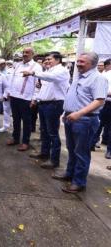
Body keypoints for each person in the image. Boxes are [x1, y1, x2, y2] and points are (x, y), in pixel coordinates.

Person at [52, 52, 108, 193]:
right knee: (72, 150)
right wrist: (68, 113)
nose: (78, 64)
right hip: (71, 118)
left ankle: (79, 182)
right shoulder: (80, 76)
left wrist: (79, 113)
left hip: (85, 120)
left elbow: (99, 100)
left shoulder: (97, 79)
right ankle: (69, 173)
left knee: (81, 153)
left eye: (82, 62)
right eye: (78, 61)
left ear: (92, 64)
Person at [25, 52, 70, 169]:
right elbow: (43, 87)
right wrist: (36, 99)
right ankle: (44, 153)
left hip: (54, 105)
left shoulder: (61, 71)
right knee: (44, 131)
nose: (47, 61)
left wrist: (33, 73)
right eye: (47, 59)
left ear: (58, 60)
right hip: (44, 104)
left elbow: (51, 78)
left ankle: (54, 160)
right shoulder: (48, 71)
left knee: (53, 133)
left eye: (50, 59)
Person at [7, 47, 42, 151]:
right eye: (23, 52)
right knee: (16, 120)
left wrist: (34, 99)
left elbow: (38, 84)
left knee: (27, 122)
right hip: (14, 96)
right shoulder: (18, 65)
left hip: (26, 99)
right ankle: (15, 138)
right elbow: (12, 80)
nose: (25, 54)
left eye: (27, 52)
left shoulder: (37, 67)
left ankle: (25, 142)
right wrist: (9, 92)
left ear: (32, 54)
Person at [0, 59, 13, 133]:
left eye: (4, 63)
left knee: (13, 111)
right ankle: (5, 126)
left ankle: (12, 127)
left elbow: (10, 84)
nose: (2, 65)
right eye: (0, 64)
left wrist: (7, 93)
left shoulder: (10, 71)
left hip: (9, 94)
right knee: (5, 110)